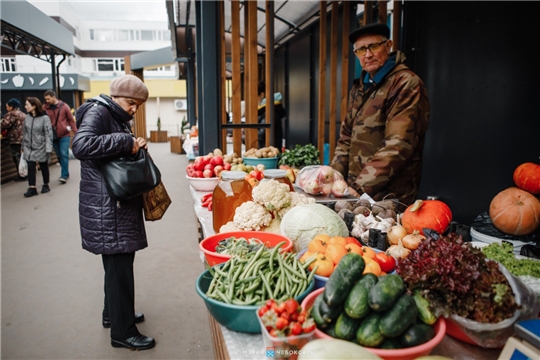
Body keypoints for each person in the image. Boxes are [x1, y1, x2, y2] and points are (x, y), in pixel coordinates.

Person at [72, 74, 155, 351]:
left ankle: (114, 315)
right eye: (132, 103)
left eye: (138, 106)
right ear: (116, 96)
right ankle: (123, 333)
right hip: (108, 207)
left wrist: (132, 144)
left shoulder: (113, 115)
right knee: (119, 267)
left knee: (116, 266)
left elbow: (108, 149)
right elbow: (80, 146)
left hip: (110, 204)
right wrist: (124, 141)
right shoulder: (99, 111)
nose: (134, 109)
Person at [330, 23, 430, 205]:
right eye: (361, 50)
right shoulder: (360, 87)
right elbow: (345, 139)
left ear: (388, 45)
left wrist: (359, 187)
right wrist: (331, 177)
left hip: (390, 197)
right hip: (356, 192)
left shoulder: (405, 84)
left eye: (373, 47)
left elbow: (398, 145)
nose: (367, 55)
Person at [43, 89, 77, 184]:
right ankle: (65, 171)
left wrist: (76, 132)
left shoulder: (64, 106)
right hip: (52, 136)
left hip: (64, 134)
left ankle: (64, 175)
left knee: (64, 154)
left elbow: (71, 120)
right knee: (58, 155)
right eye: (46, 99)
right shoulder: (45, 108)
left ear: (54, 97)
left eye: (48, 99)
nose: (47, 101)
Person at [21, 97, 53, 197]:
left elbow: (48, 133)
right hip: (28, 146)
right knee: (30, 166)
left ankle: (46, 184)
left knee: (43, 165)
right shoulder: (27, 117)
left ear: (34, 106)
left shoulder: (44, 118)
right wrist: (23, 146)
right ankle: (32, 187)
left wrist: (48, 148)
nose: (25, 107)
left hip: (41, 146)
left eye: (27, 105)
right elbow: (25, 132)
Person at [1, 98, 26, 181]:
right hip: (24, 138)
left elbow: (5, 124)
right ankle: (25, 173)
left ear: (11, 107)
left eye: (7, 106)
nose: (6, 108)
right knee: (23, 157)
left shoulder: (11, 114)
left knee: (17, 157)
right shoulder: (22, 114)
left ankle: (21, 175)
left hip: (15, 139)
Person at [257, 82, 285, 149]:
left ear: (262, 94)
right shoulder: (272, 109)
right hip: (271, 151)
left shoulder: (268, 112)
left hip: (267, 152)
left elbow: (261, 135)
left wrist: (245, 134)